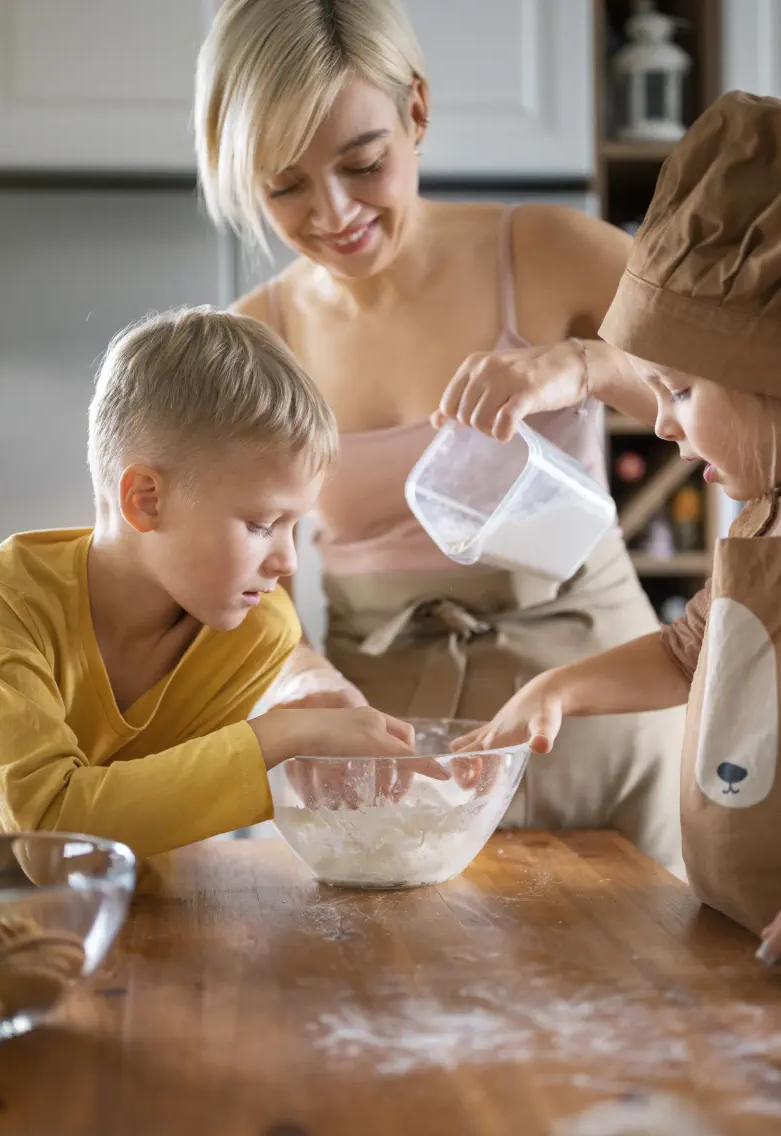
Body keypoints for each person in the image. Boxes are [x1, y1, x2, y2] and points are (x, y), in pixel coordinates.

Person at [194, 0, 685, 873]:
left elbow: (745, 401)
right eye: (285, 185)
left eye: (363, 162)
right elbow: (227, 563)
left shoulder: (545, 250)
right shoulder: (256, 341)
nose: (333, 212)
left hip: (603, 719)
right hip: (390, 753)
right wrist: (298, 673)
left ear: (415, 111)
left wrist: (583, 367)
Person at [452, 91, 781, 957]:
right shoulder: (762, 527)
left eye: (679, 390)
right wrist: (552, 689)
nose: (662, 422)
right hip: (732, 936)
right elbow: (686, 654)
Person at [0, 307, 430, 860]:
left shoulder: (257, 632)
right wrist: (282, 737)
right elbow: (52, 841)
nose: (287, 562)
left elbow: (150, 827)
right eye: (262, 524)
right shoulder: (0, 606)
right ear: (145, 499)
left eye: (295, 526)